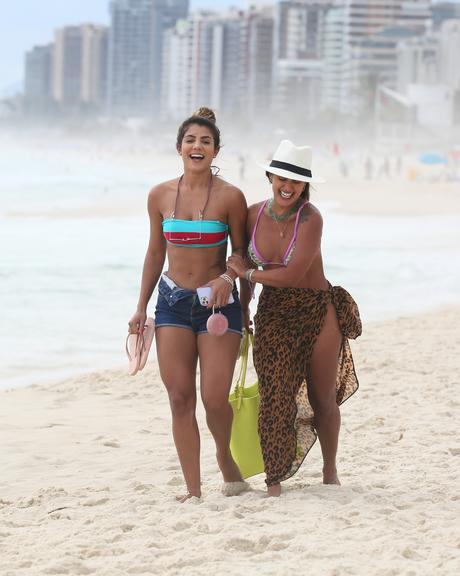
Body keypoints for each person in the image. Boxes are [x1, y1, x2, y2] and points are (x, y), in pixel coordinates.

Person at [227, 140, 362, 497]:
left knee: (322, 399)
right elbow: (240, 265)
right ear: (270, 176)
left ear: (304, 186)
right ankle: (274, 480)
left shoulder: (311, 218)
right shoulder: (251, 215)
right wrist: (243, 312)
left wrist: (249, 275)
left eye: (297, 182)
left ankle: (329, 469)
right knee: (274, 396)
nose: (288, 187)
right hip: (272, 311)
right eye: (282, 178)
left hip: (317, 308)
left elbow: (289, 274)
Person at [128, 108, 249, 502]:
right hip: (172, 305)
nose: (197, 146)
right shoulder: (159, 195)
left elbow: (243, 256)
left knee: (215, 400)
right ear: (179, 147)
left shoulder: (231, 197)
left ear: (216, 151)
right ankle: (193, 490)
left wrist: (228, 280)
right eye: (191, 140)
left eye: (206, 141)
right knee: (180, 397)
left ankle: (225, 459)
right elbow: (153, 253)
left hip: (219, 308)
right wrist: (140, 307)